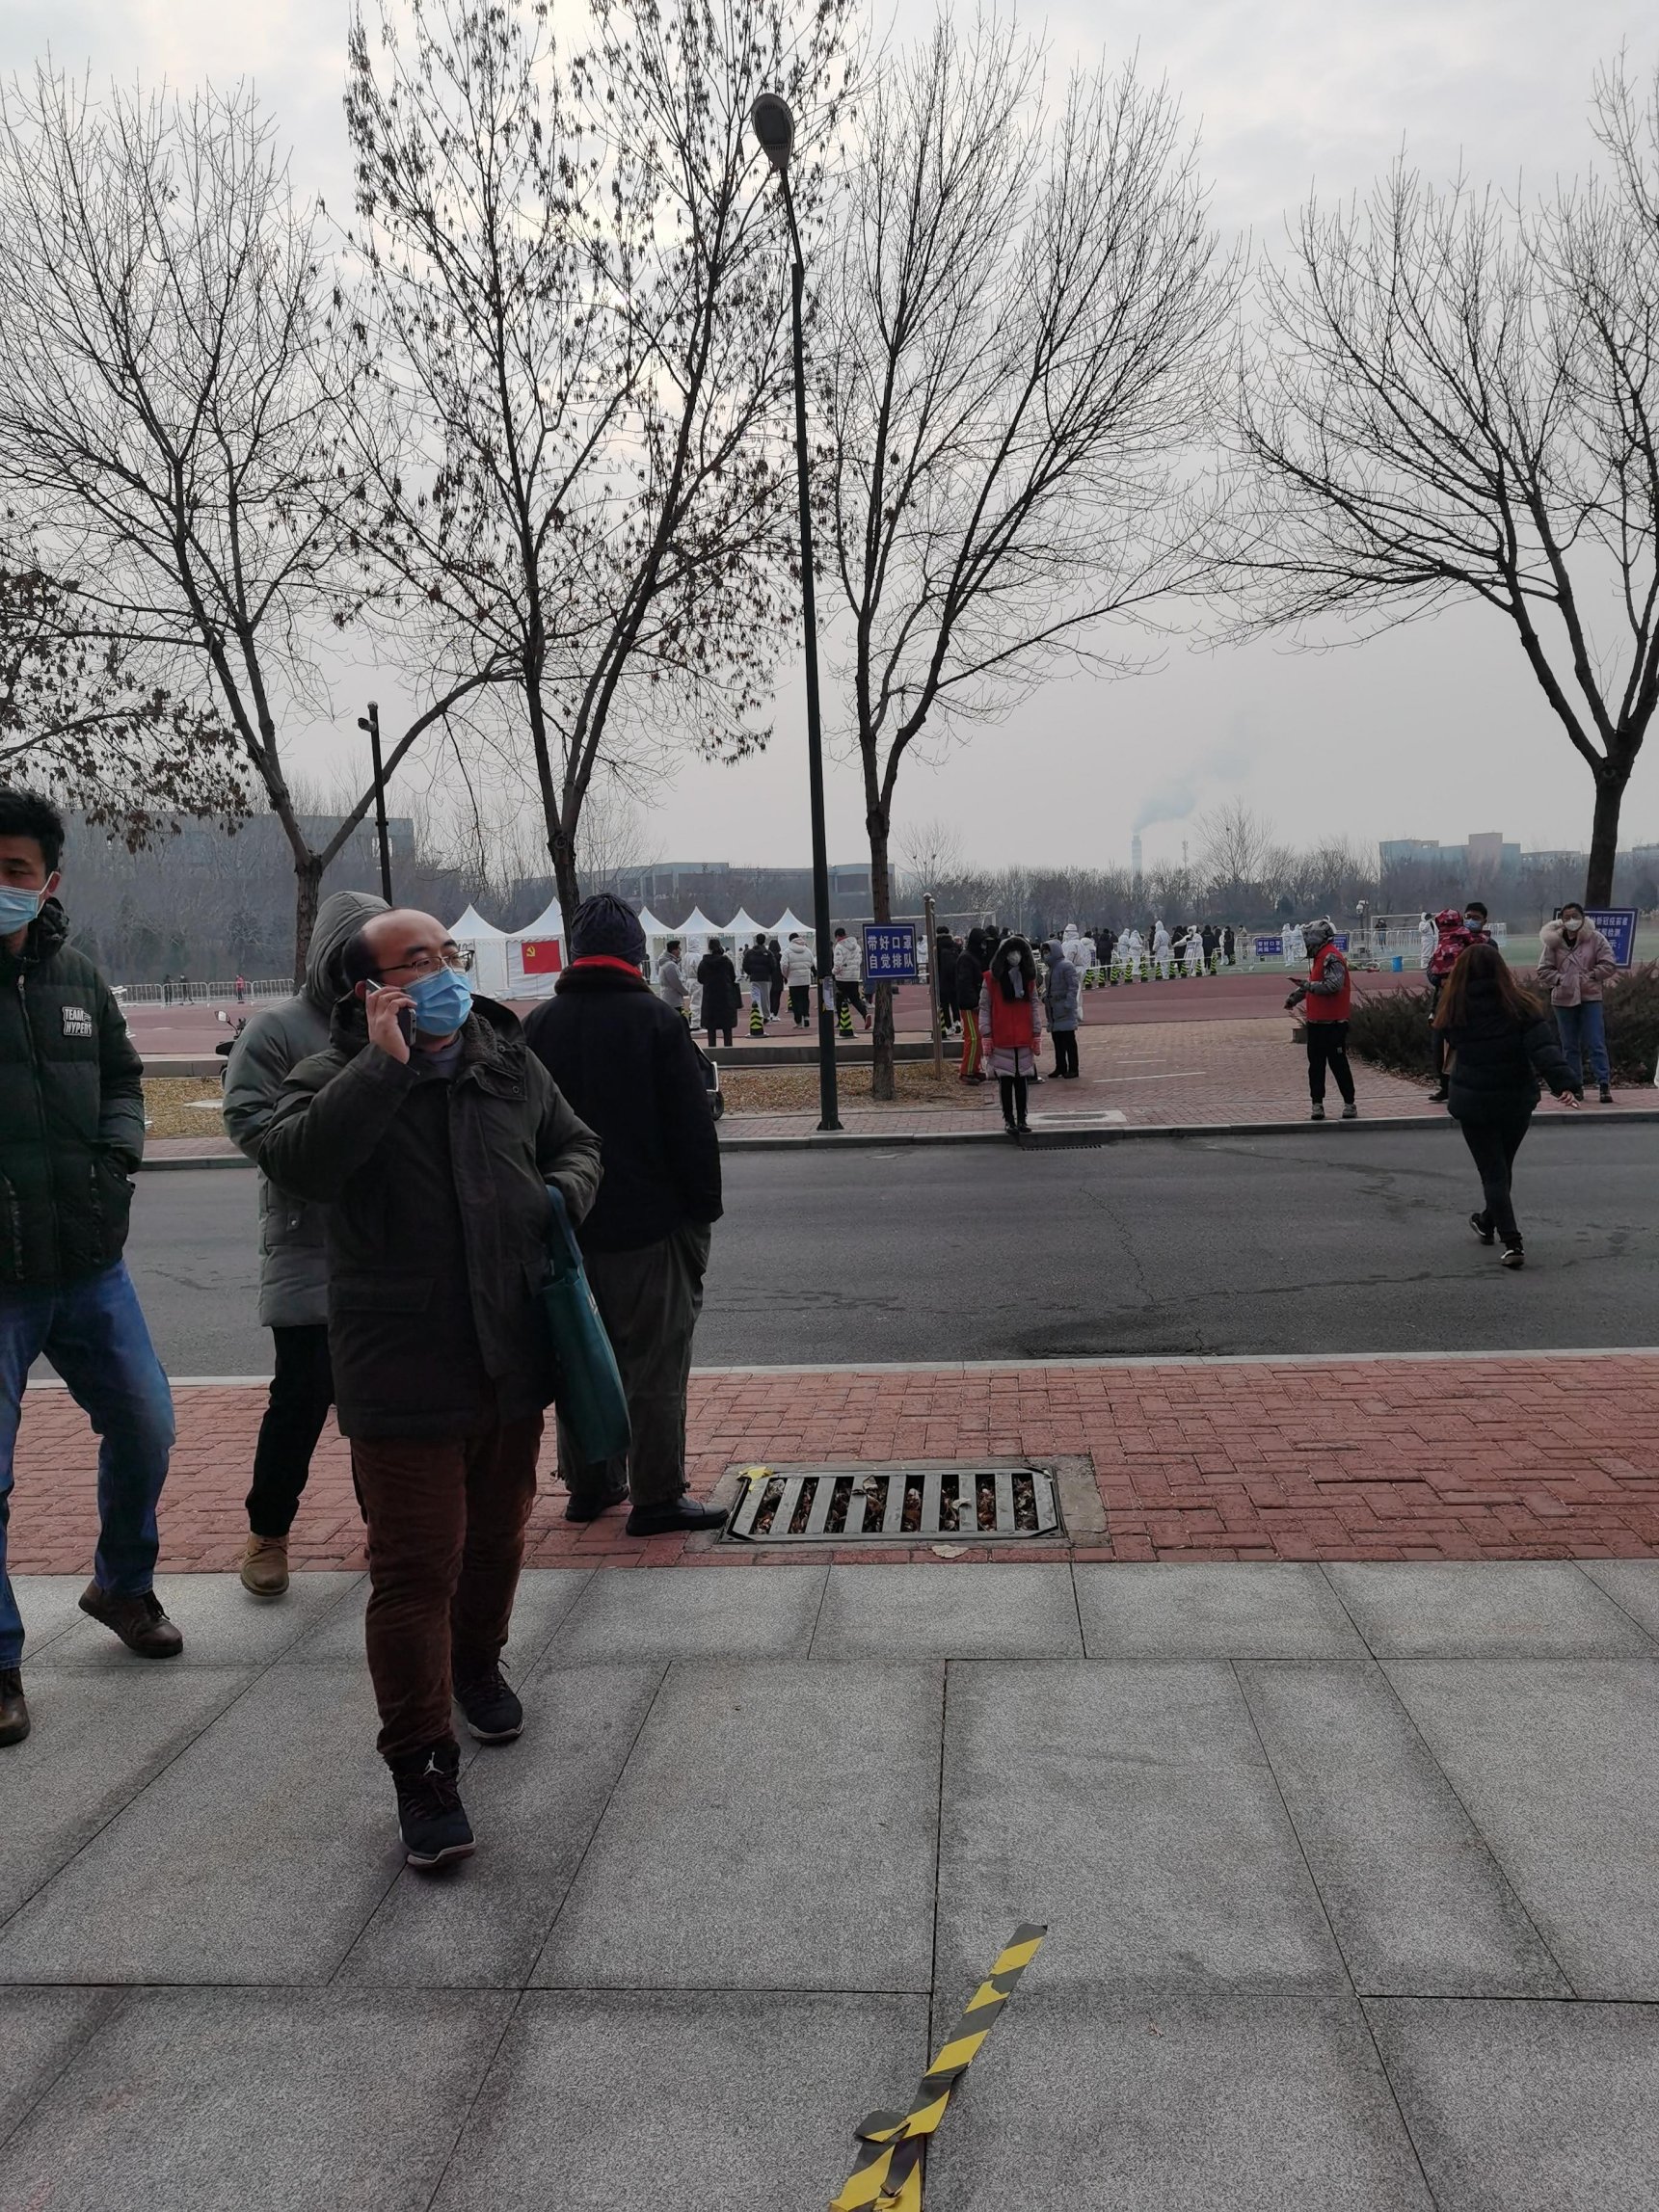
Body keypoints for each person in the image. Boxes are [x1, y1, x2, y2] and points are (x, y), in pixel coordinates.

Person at [259, 906, 602, 1869]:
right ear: (368, 989)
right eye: (418, 960)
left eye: (447, 952)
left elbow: (578, 1145)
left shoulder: (507, 1058)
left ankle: (477, 1664)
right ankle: (420, 1766)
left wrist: (554, 1197)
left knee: (497, 1537)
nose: (445, 969)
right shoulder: (331, 1073)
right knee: (415, 1570)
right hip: (398, 1368)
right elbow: (299, 1164)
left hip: (509, 1354)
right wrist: (382, 1065)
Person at [0, 787, 181, 1750]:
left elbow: (123, 1080)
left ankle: (122, 1584)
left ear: (48, 880)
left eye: (14, 870)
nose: (0, 885)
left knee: (147, 1426)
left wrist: (117, 1161)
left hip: (87, 1263)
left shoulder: (77, 979)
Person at [524, 896, 725, 1538]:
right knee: (655, 1367)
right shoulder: (658, 1022)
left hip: (567, 1228)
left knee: (581, 1359)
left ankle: (590, 1485)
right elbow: (692, 1132)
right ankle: (657, 1494)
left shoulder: (538, 1026)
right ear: (637, 955)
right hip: (651, 1227)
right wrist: (700, 1217)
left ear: (575, 952)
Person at [221, 890, 389, 1596]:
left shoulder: (394, 1017)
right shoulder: (277, 1030)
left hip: (383, 1247)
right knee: (301, 1398)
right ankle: (268, 1532)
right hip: (306, 1243)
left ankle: (387, 1525)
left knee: (380, 1404)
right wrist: (317, 1155)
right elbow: (247, 1118)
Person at [1434, 941, 1580, 1267]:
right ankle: (1488, 1222)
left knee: (1493, 1173)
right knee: (1502, 1168)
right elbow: (1543, 1049)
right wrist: (1565, 1084)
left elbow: (1442, 1052)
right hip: (1516, 1099)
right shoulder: (1521, 1006)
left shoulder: (1453, 1010)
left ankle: (1512, 1242)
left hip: (1473, 1101)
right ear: (1501, 969)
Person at [1538, 902, 1617, 1104]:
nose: (1571, 920)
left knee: (1596, 1042)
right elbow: (1543, 970)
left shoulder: (1595, 938)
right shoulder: (1553, 942)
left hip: (1590, 996)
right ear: (1561, 920)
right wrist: (1560, 979)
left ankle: (1604, 1084)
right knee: (1569, 1045)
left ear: (1583, 917)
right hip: (1563, 999)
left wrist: (1592, 975)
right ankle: (1575, 1085)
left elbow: (1609, 964)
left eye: (1575, 916)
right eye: (1567, 917)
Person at [1285, 917, 1357, 1122]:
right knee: (1316, 1066)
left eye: (1309, 939)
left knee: (1338, 1063)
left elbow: (1333, 985)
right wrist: (1294, 997)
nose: (1307, 944)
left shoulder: (1331, 957)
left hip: (1334, 1023)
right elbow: (1313, 981)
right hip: (1316, 1022)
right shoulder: (1319, 957)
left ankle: (1349, 1102)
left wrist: (1306, 986)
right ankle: (1317, 1104)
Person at [980, 934, 1043, 1133]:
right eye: (1011, 952)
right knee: (1005, 1081)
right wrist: (986, 1034)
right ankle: (1009, 1119)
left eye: (1018, 951)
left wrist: (1036, 1031)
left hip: (1023, 1035)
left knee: (1022, 1080)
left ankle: (1022, 1119)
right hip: (1001, 1036)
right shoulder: (991, 979)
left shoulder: (1028, 979)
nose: (1014, 956)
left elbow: (1034, 1005)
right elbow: (984, 1007)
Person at [1426, 905, 1484, 1101]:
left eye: (1476, 917)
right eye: (1468, 916)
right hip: (1443, 1001)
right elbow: (1431, 970)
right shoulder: (1444, 942)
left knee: (1465, 1047)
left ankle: (1466, 1086)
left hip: (1470, 1002)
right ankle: (1445, 1086)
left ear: (1485, 920)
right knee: (1439, 1045)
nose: (1471, 921)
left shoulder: (1484, 944)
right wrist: (1441, 980)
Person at [1044, 937, 1081, 1078]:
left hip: (1064, 1010)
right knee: (1057, 1040)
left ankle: (1073, 1068)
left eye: (1047, 951)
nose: (1046, 954)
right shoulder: (1050, 969)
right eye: (1044, 952)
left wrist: (1069, 1003)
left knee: (1069, 1041)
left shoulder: (1066, 966)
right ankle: (1060, 1066)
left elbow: (1073, 986)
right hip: (1054, 1010)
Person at [955, 927, 989, 1081]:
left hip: (975, 1003)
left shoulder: (974, 957)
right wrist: (973, 1002)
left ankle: (974, 1068)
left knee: (978, 1038)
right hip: (969, 1006)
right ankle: (966, 1071)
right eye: (982, 942)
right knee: (973, 1038)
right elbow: (965, 983)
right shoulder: (966, 958)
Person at [696, 937, 739, 1049]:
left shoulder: (704, 962)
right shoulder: (726, 961)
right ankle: (729, 1050)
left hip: (710, 998)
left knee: (711, 1028)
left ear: (709, 948)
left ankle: (712, 1051)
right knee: (727, 1027)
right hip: (726, 997)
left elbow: (700, 979)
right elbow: (733, 977)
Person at [831, 926, 870, 1029]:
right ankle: (865, 1014)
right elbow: (859, 961)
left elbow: (838, 964)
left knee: (839, 999)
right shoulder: (856, 946)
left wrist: (833, 972)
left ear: (837, 936)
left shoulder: (839, 947)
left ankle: (841, 1021)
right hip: (854, 977)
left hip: (842, 978)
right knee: (855, 999)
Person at [740, 934, 773, 1026]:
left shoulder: (750, 953)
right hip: (766, 978)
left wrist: (750, 973)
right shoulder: (768, 953)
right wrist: (769, 973)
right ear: (764, 941)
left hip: (754, 978)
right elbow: (773, 965)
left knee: (755, 996)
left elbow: (745, 964)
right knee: (765, 998)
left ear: (756, 940)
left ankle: (758, 1013)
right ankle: (766, 1015)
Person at [784, 932, 816, 1026]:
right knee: (805, 998)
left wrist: (786, 975)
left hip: (793, 980)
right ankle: (806, 1016)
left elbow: (784, 965)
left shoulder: (787, 951)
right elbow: (812, 963)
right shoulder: (807, 950)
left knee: (795, 1000)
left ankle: (799, 1021)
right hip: (805, 979)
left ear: (790, 940)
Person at [656, 938, 690, 1019]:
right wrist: (686, 992)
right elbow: (677, 983)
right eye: (679, 948)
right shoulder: (670, 965)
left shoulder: (665, 963)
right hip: (674, 1001)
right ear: (674, 951)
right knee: (680, 1021)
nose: (680, 951)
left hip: (668, 998)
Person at [935, 928, 959, 1036]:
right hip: (955, 979)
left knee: (944, 1005)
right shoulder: (955, 946)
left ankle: (947, 1026)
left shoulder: (936, 947)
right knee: (955, 1002)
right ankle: (957, 1022)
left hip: (942, 980)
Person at [766, 936, 786, 1019]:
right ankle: (775, 1014)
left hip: (769, 978)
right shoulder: (780, 956)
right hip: (778, 978)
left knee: (770, 996)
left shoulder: (767, 956)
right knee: (777, 997)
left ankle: (770, 1013)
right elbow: (783, 967)